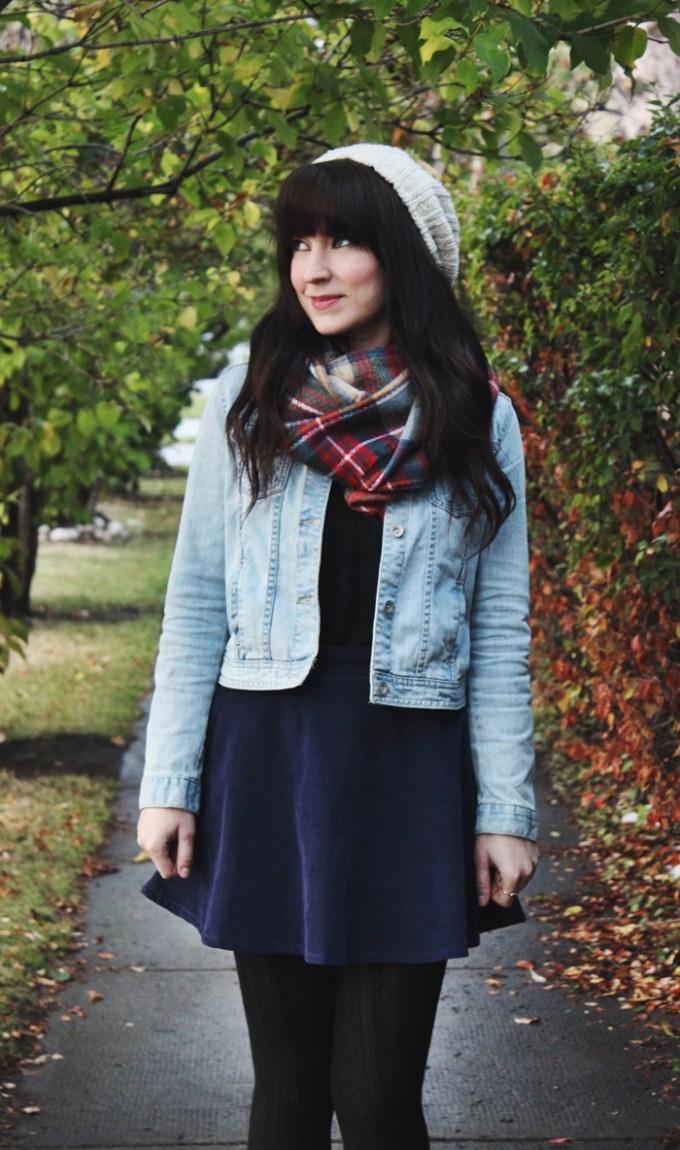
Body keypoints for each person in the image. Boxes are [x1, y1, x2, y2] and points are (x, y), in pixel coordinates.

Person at [137, 143, 539, 1150]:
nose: (313, 268)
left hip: (407, 765)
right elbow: (196, 603)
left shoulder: (477, 414)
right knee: (285, 1093)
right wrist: (168, 784)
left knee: (376, 1098)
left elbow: (500, 626)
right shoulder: (247, 398)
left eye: (344, 241)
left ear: (405, 258)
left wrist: (503, 810)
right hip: (268, 758)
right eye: (300, 243)